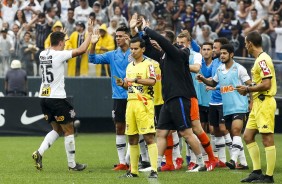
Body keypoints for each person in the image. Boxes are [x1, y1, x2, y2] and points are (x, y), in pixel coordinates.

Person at [141, 20, 216, 172]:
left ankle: (201, 163)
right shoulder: (163, 56)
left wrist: (147, 29)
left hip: (179, 97)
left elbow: (162, 42)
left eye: (161, 40)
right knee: (161, 132)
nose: (158, 41)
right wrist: (141, 32)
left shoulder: (180, 52)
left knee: (186, 132)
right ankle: (156, 165)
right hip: (168, 99)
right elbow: (146, 48)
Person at [32, 19, 94, 171]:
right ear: (60, 42)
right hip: (57, 99)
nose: (66, 44)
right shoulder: (59, 55)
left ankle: (39, 152)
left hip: (44, 98)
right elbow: (81, 50)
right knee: (69, 129)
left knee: (57, 130)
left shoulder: (43, 54)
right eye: (64, 42)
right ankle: (72, 165)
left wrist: (61, 37)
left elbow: (53, 46)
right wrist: (89, 34)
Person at [197, 44, 250, 170]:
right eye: (221, 53)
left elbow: (250, 84)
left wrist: (252, 101)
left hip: (239, 106)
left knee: (236, 131)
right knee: (233, 135)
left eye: (225, 53)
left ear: (231, 54)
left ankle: (232, 159)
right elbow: (213, 82)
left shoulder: (239, 69)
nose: (222, 55)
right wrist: (203, 79)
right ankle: (243, 163)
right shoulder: (220, 69)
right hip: (227, 108)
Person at [114, 37, 158, 178]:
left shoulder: (148, 64)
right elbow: (130, 86)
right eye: (131, 48)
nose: (132, 51)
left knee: (148, 137)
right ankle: (133, 171)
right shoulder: (130, 66)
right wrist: (123, 84)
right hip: (131, 103)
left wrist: (135, 80)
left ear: (143, 49)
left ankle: (154, 170)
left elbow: (152, 81)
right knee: (132, 138)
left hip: (144, 104)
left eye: (135, 48)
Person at [236, 31, 277, 183]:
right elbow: (260, 83)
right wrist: (250, 90)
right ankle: (256, 172)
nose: (245, 45)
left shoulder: (263, 60)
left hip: (265, 102)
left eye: (246, 43)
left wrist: (247, 89)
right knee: (247, 136)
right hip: (257, 103)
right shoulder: (259, 60)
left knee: (267, 138)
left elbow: (267, 84)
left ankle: (269, 176)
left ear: (250, 44)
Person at [89, 26, 131, 171]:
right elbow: (92, 59)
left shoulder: (136, 52)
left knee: (137, 129)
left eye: (120, 36)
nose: (118, 38)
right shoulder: (112, 54)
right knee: (119, 127)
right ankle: (122, 162)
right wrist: (93, 43)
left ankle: (135, 160)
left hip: (135, 95)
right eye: (116, 36)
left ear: (128, 37)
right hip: (119, 97)